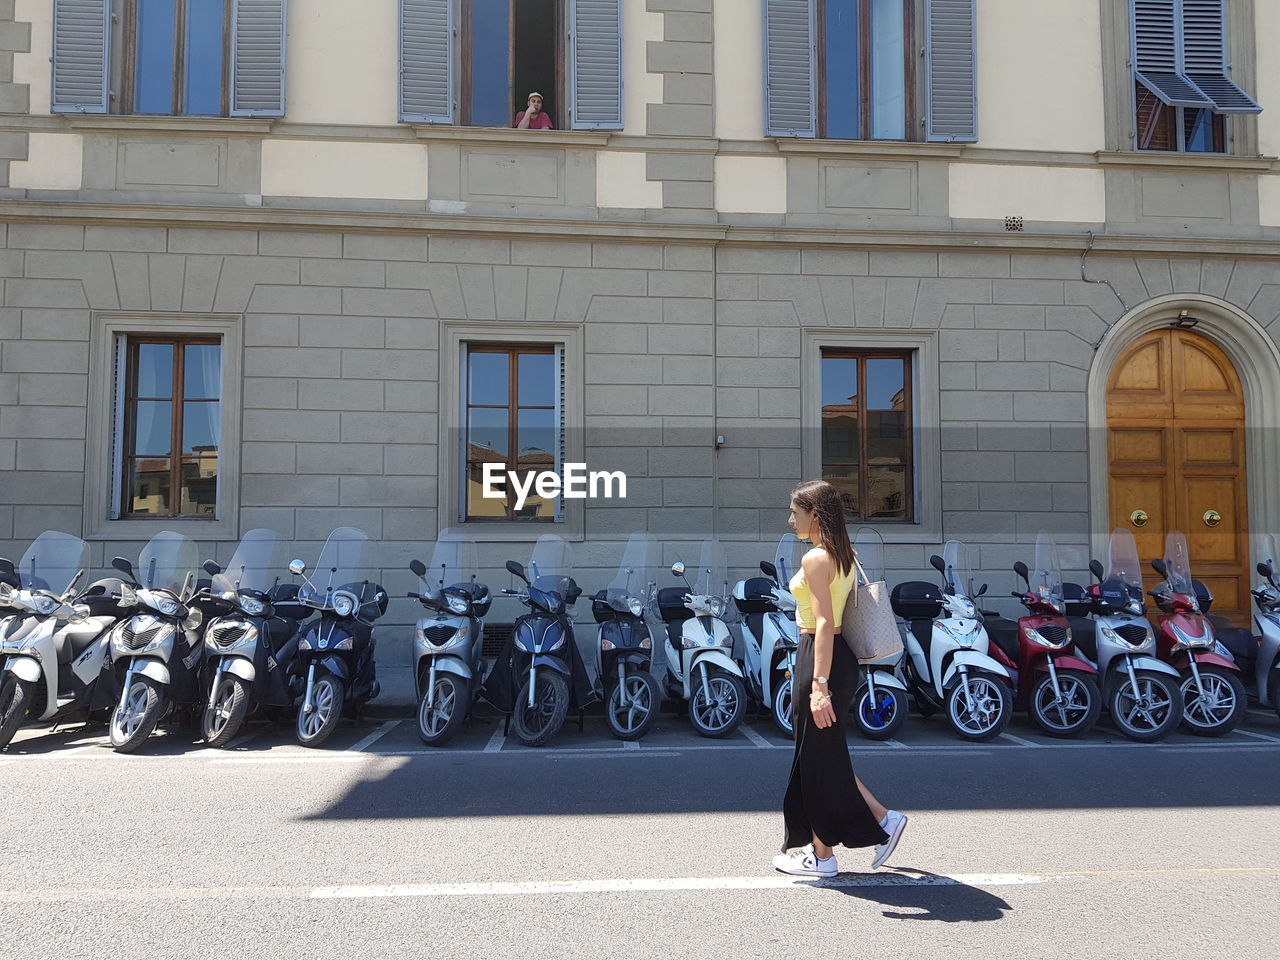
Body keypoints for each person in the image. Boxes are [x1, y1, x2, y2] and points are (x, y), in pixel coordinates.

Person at [773, 479, 908, 878]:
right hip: (836, 657)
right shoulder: (844, 552)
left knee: (815, 759)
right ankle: (875, 823)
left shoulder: (816, 559)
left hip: (820, 653)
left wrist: (818, 686)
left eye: (795, 512)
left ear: (814, 514)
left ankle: (826, 855)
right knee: (822, 755)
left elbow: (827, 622)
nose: (790, 519)